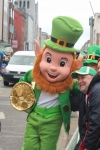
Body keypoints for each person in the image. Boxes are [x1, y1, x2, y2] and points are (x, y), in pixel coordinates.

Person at [11, 16, 83, 150]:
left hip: (53, 118)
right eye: (48, 60)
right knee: (29, 146)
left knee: (48, 147)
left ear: (72, 65)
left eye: (62, 63)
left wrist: (90, 80)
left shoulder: (70, 82)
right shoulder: (35, 75)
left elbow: (82, 89)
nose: (53, 68)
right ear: (41, 57)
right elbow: (21, 84)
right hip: (34, 115)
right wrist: (23, 97)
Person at [70, 45, 100, 140]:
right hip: (87, 135)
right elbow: (79, 103)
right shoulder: (86, 85)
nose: (90, 68)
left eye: (94, 65)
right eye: (88, 65)